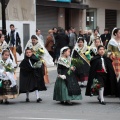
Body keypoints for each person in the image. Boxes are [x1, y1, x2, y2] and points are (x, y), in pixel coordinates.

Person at [107, 28, 120, 97]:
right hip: (115, 60)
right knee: (116, 75)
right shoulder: (112, 42)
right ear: (115, 34)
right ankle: (115, 91)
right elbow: (108, 51)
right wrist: (112, 54)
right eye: (119, 33)